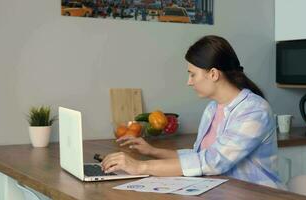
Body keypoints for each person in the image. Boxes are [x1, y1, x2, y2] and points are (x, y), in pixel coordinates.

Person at [101, 35, 284, 189]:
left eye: (192, 74)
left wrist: (140, 167)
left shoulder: (254, 110)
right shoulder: (212, 108)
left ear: (213, 74)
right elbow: (198, 157)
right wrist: (152, 151)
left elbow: (212, 162)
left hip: (257, 195)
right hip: (219, 190)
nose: (189, 82)